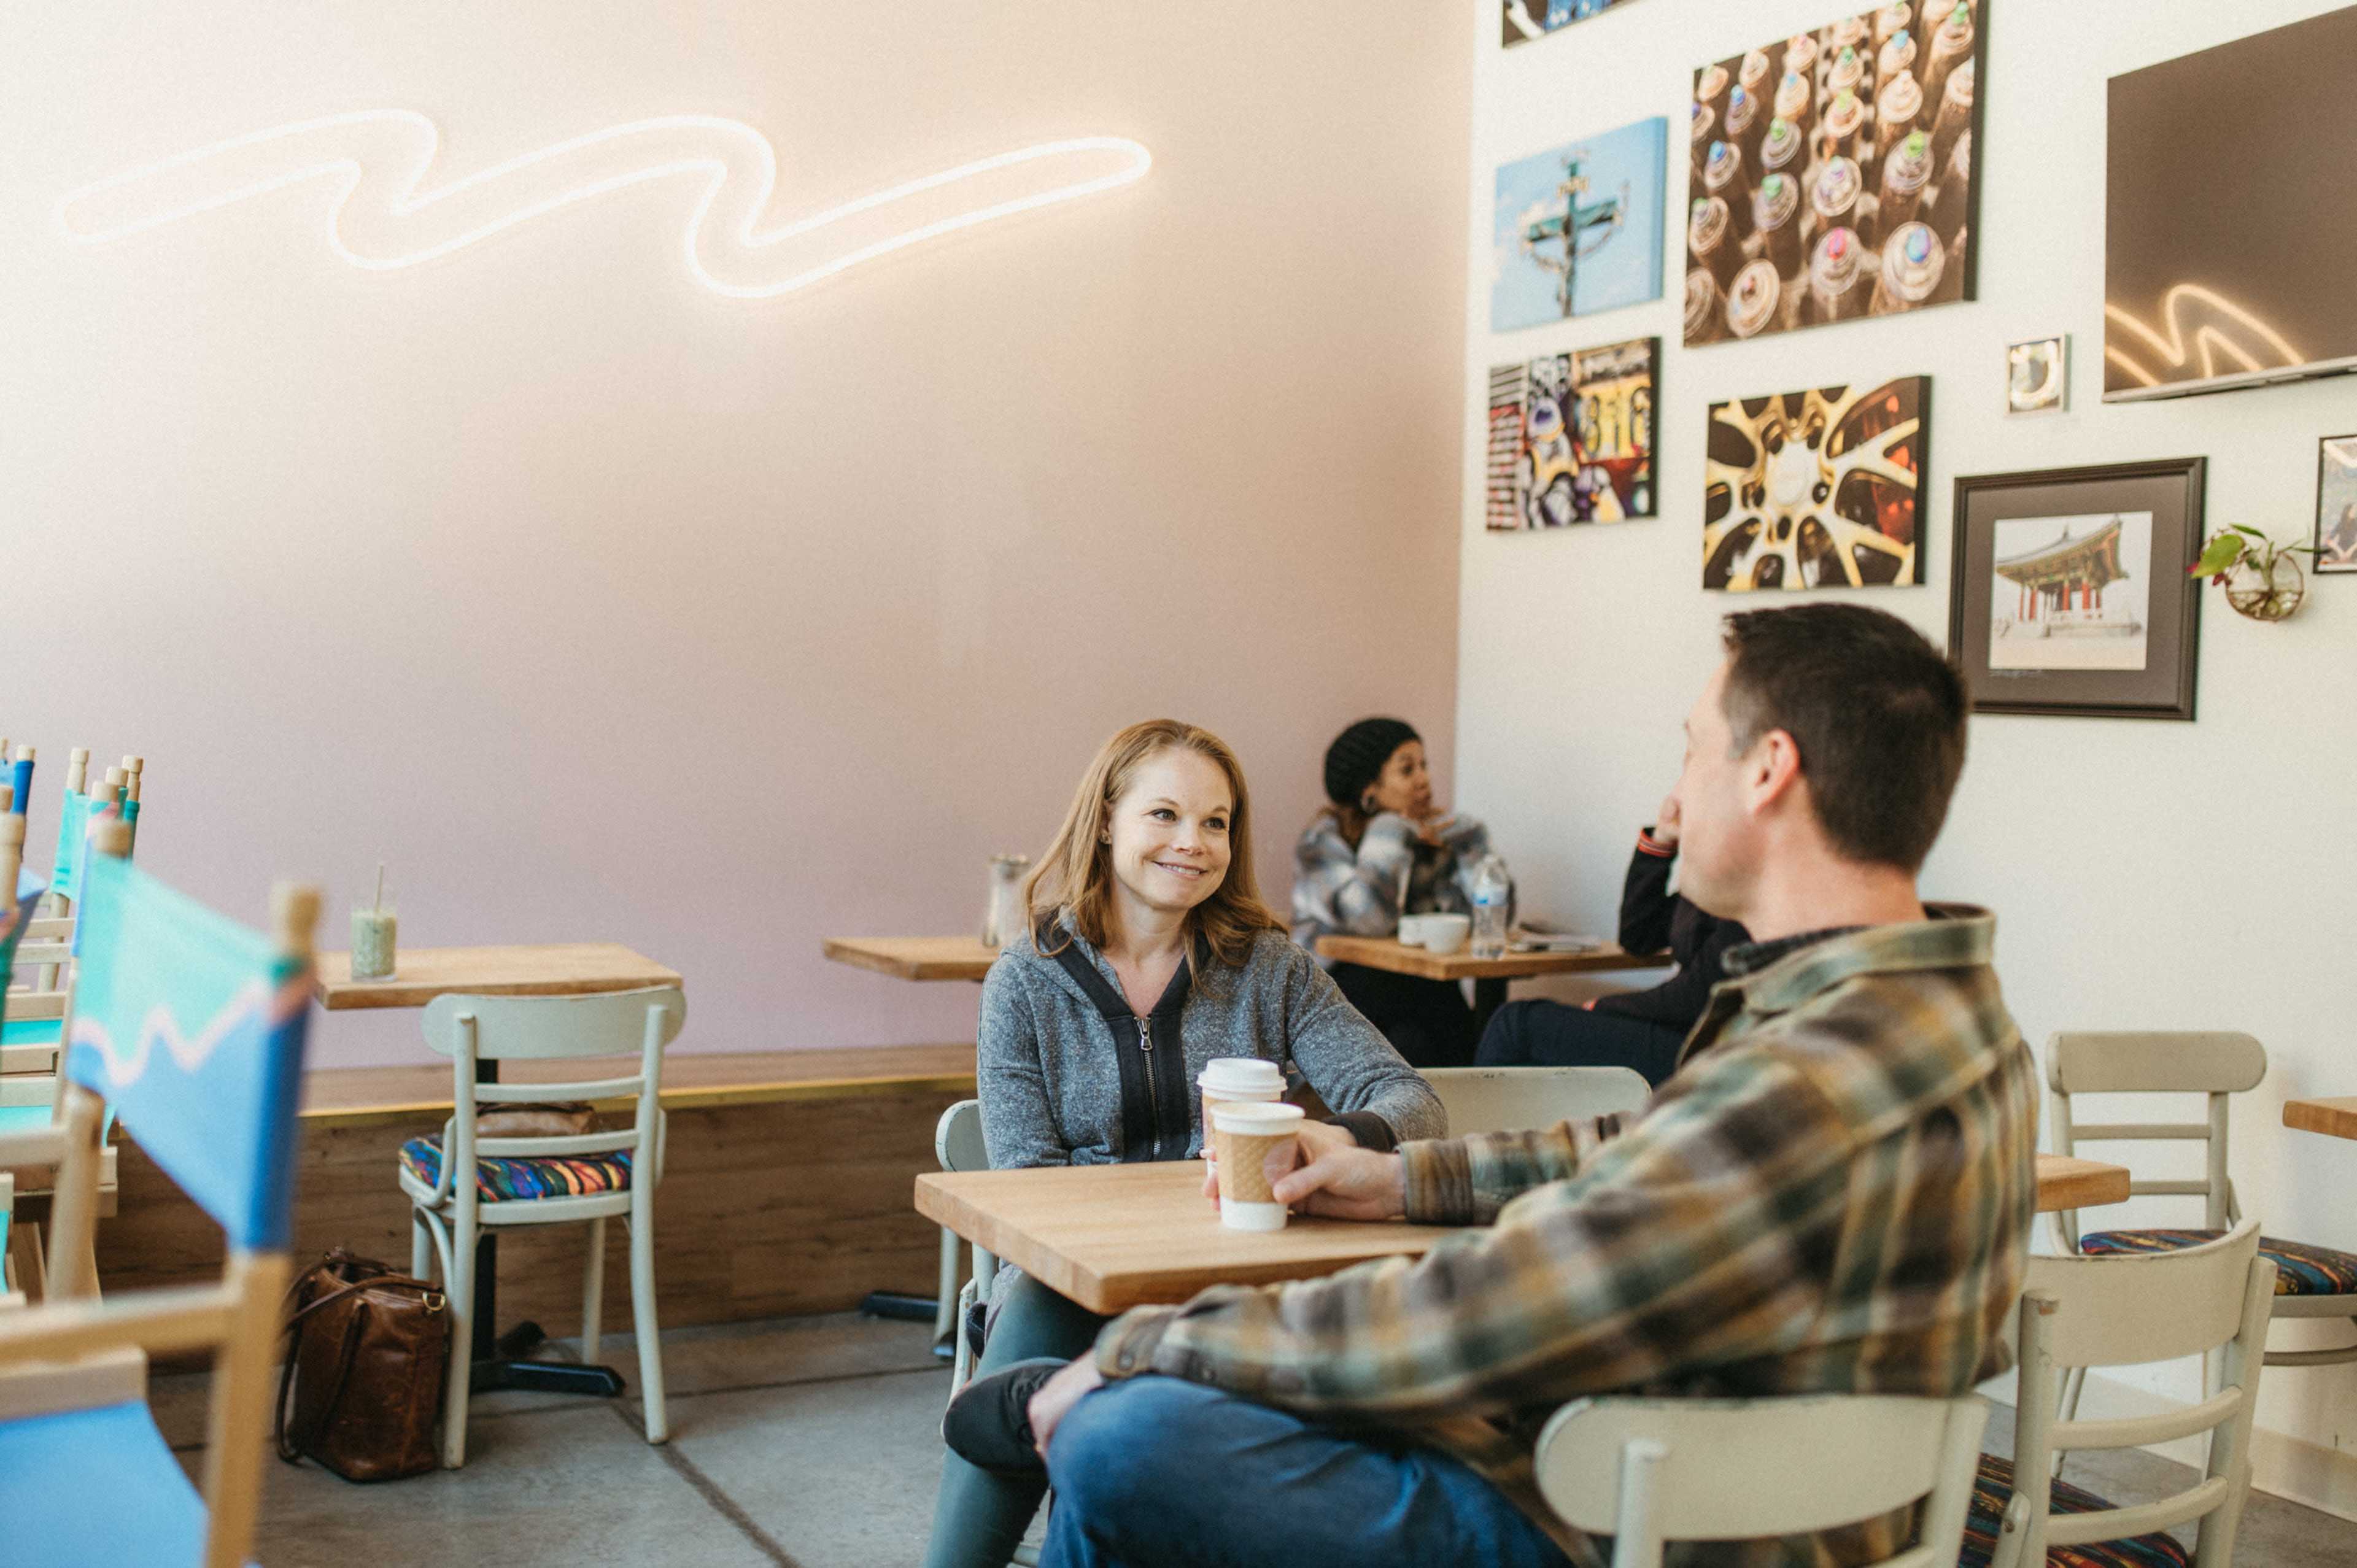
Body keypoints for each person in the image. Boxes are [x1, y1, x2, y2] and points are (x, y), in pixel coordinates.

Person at [983, 604, 2039, 1567]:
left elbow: (1480, 1315)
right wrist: (1401, 1182)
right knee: (1140, 1446)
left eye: (1689, 749)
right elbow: (1646, 1156)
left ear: (1768, 769)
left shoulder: (1812, 1075)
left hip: (1647, 1518)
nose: (1673, 796)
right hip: (1698, 1468)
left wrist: (1145, 1347)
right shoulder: (1934, 1012)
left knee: (1124, 1436)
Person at [921, 718, 1444, 1568]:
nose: (1193, 843)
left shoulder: (1272, 967)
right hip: (1073, 1277)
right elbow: (1032, 1192)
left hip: (1240, 1270)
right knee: (1050, 1300)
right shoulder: (1025, 979)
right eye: (1164, 814)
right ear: (1106, 821)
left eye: (1215, 822)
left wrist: (1332, 1136)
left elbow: (1413, 1102)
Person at [1475, 792, 1748, 1086]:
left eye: (1693, 758)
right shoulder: (1711, 882)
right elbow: (1638, 936)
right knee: (1520, 1042)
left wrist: (1607, 1006)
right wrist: (1660, 841)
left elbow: (1698, 995)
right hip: (1687, 1034)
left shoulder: (1748, 882)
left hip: (1710, 1047)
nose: (1679, 790)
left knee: (1515, 1025)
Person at [1293, 717, 1495, 1068]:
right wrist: (1388, 830)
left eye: (1424, 765)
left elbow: (1485, 922)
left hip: (1412, 992)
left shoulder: (1429, 840)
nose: (1424, 779)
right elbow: (1370, 920)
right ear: (1369, 790)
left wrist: (1470, 846)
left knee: (1419, 1036)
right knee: (1427, 1014)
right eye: (1407, 769)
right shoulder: (1322, 843)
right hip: (1332, 991)